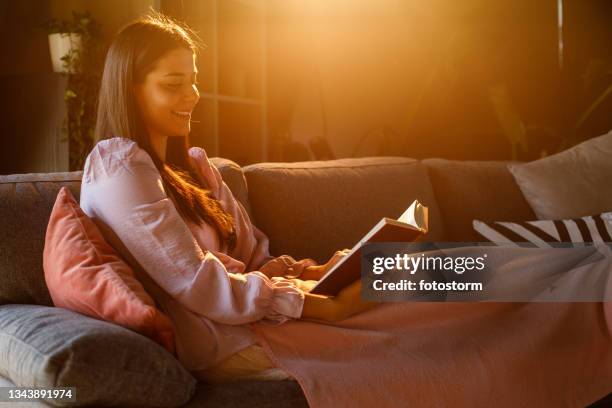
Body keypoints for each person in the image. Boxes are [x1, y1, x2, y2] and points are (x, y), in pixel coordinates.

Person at [79, 11, 379, 383]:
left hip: (261, 317)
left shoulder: (192, 169)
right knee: (415, 307)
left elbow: (254, 260)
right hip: (227, 339)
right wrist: (316, 306)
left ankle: (473, 272)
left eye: (193, 80)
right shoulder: (117, 167)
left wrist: (313, 273)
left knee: (416, 273)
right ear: (130, 88)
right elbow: (197, 282)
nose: (191, 95)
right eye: (173, 83)